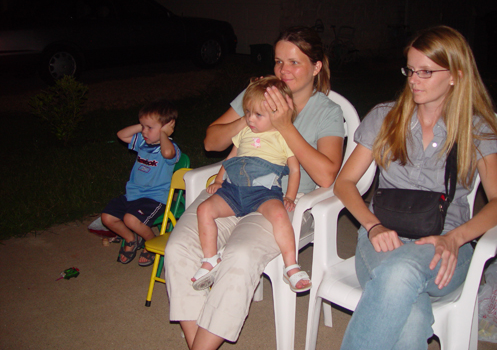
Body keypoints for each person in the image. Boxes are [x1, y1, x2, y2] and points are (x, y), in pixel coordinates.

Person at [164, 26, 345, 349]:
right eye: (278, 61)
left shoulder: (327, 112)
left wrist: (284, 125)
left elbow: (327, 175)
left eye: (294, 62)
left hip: (282, 202)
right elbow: (212, 140)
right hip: (231, 190)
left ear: (317, 67)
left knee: (240, 255)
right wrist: (252, 115)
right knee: (179, 248)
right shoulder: (258, 94)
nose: (283, 71)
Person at [334, 25, 497, 350]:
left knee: (400, 274)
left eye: (426, 72)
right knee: (412, 314)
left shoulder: (476, 130)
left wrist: (455, 239)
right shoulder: (385, 117)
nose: (414, 80)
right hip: (380, 237)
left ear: (456, 75)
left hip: (447, 245)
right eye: (411, 70)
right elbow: (345, 183)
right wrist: (372, 226)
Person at [192, 75, 311, 293]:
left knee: (279, 216)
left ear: (277, 114)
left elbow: (295, 169)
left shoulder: (284, 137)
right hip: (233, 191)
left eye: (258, 114)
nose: (250, 119)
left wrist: (290, 196)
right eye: (247, 112)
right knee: (204, 210)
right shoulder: (244, 132)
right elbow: (231, 158)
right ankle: (210, 259)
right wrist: (219, 180)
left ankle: (291, 265)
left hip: (264, 194)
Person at [102, 98, 181, 266]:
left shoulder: (169, 148)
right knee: (107, 217)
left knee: (131, 220)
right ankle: (131, 238)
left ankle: (151, 241)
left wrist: (163, 134)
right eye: (143, 127)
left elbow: (168, 154)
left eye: (149, 128)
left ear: (167, 127)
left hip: (155, 199)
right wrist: (145, 124)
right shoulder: (143, 144)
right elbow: (121, 135)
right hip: (133, 195)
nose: (144, 132)